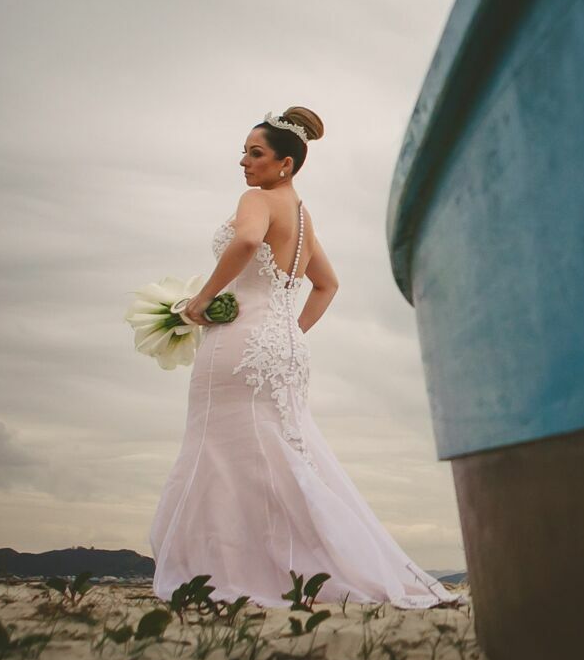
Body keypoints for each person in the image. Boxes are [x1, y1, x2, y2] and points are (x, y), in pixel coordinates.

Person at [147, 107, 454, 607]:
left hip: (240, 344)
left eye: (255, 152)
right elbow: (327, 285)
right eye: (245, 151)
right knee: (282, 457)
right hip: (282, 347)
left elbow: (247, 241)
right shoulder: (304, 218)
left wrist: (201, 300)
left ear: (284, 164)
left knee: (223, 455)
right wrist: (287, 331)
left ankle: (228, 569)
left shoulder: (258, 200)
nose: (243, 162)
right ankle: (298, 565)